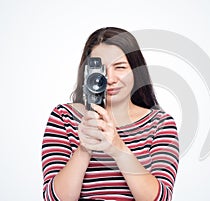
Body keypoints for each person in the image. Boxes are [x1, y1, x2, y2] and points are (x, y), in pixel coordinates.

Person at [41, 27, 179, 201]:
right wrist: (85, 148)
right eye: (101, 70)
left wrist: (118, 148)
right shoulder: (63, 117)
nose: (110, 79)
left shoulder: (160, 124)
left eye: (120, 67)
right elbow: (54, 199)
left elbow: (160, 199)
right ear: (87, 74)